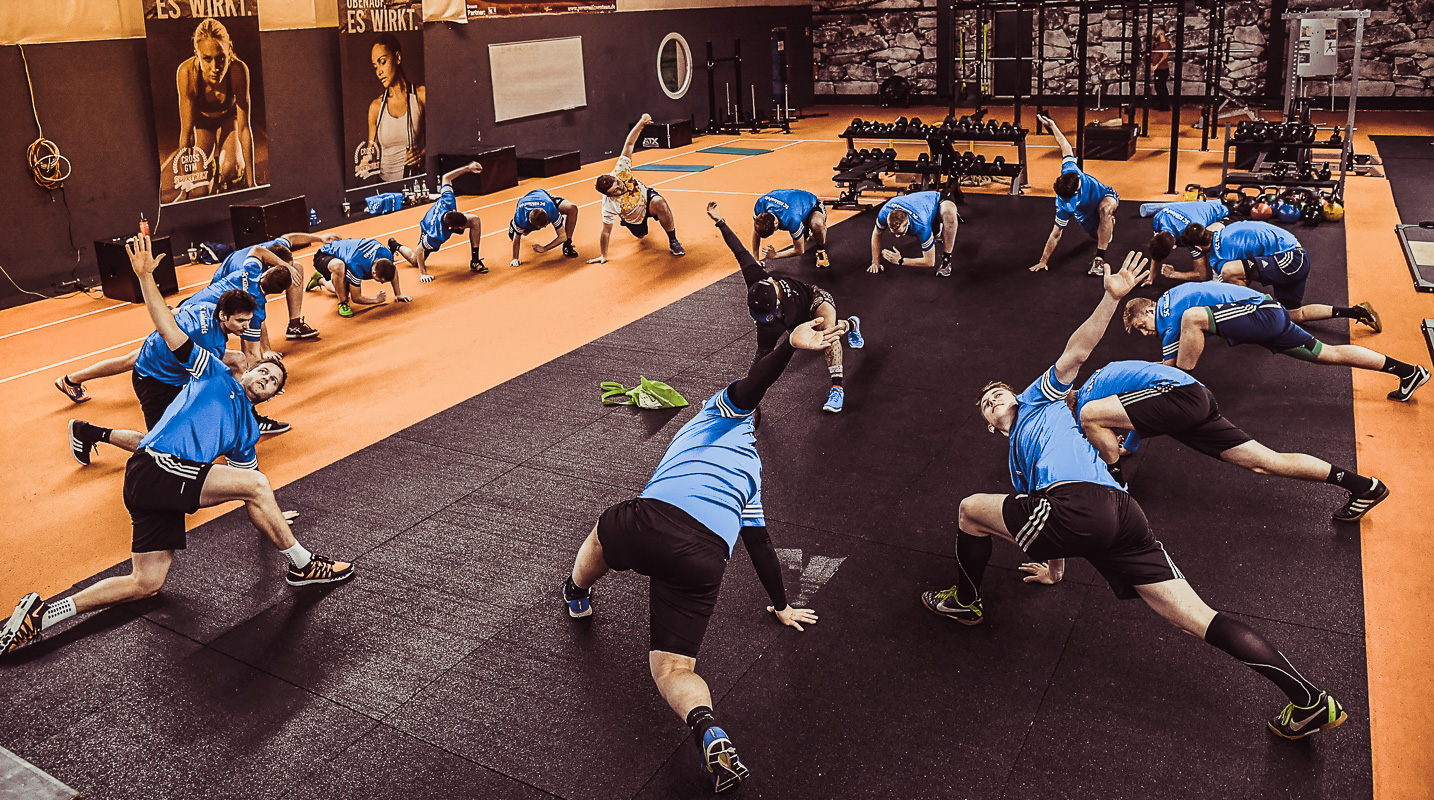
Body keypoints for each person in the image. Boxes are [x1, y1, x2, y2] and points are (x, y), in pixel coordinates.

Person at [922, 251, 1350, 741]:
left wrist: (1109, 298)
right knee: (1194, 620)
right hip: (1117, 515)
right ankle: (1310, 700)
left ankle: (966, 600)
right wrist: (1055, 570)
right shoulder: (1020, 467)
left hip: (1090, 505)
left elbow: (1076, 353)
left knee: (968, 511)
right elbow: (1047, 523)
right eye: (986, 405)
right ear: (990, 427)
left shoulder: (1042, 399)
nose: (994, 400)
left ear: (1017, 397)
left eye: (998, 393)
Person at [1, 235, 353, 659]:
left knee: (145, 583)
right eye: (264, 372)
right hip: (156, 468)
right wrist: (146, 278)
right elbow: (167, 326)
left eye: (273, 383)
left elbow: (253, 489)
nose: (266, 379)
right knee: (255, 484)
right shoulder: (210, 372)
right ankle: (303, 565)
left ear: (272, 396)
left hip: (157, 487)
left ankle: (43, 615)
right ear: (247, 369)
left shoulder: (246, 433)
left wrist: (273, 511)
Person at [560, 316, 836, 792]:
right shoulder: (750, 474)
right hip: (704, 559)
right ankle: (707, 727)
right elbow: (760, 546)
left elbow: (753, 387)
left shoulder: (718, 411)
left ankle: (576, 591)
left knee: (602, 537)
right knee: (672, 669)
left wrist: (789, 345)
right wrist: (782, 604)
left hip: (651, 521)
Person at [1072, 359, 1389, 521]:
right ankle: (1363, 486)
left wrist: (1109, 461)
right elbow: (1140, 410)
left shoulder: (1085, 401)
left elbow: (1097, 426)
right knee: (1266, 462)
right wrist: (1129, 446)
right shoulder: (1103, 379)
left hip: (1180, 397)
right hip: (1193, 399)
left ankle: (1117, 488)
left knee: (1090, 416)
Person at [1123, 281, 1429, 401]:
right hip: (1269, 317)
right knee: (1329, 353)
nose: (1145, 332)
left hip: (1262, 314)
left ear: (1150, 309)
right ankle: (1407, 371)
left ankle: (1187, 384)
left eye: (1142, 325)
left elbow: (1164, 367)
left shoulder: (1167, 311)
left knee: (1192, 322)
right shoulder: (1171, 303)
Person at [708, 202, 864, 413]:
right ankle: (851, 324)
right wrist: (749, 394)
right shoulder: (760, 297)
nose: (763, 320)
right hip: (795, 323)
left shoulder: (776, 300)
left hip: (814, 300)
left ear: (777, 300)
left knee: (828, 334)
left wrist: (720, 221)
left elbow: (737, 248)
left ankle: (837, 388)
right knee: (822, 333)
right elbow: (762, 359)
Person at [1180, 220, 1381, 329]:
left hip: (1290, 259)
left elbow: (1229, 282)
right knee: (1293, 315)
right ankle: (1356, 312)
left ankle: (1251, 313)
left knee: (1228, 272)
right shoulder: (1225, 229)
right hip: (1295, 260)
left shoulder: (1222, 253)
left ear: (1197, 246)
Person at [169, 18, 257, 202]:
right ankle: (211, 167)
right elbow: (187, 134)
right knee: (199, 190)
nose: (215, 68)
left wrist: (252, 183)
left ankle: (225, 167)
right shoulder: (186, 73)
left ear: (229, 51)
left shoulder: (238, 70)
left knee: (231, 171)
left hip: (228, 120)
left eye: (221, 58)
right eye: (207, 59)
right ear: (197, 54)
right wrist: (184, 188)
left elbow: (244, 128)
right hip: (203, 126)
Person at [588, 114, 685, 263]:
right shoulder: (608, 205)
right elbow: (606, 232)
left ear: (616, 178)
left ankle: (673, 241)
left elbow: (629, 144)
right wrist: (603, 255)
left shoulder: (620, 170)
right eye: (615, 192)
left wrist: (641, 123)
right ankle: (628, 222)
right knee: (641, 236)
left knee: (660, 203)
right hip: (633, 217)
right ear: (609, 195)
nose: (620, 190)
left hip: (646, 199)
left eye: (619, 185)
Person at [1030, 115, 1119, 276]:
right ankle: (1106, 225)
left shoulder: (1070, 171)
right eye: (1079, 184)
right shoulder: (1066, 207)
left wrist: (1053, 125)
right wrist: (1043, 261)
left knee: (1105, 210)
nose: (1080, 179)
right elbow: (1056, 234)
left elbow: (1065, 146)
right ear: (1075, 193)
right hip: (1085, 214)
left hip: (1105, 196)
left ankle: (1099, 259)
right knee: (1105, 237)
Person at [210, 231, 335, 341]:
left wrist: (320, 238)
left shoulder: (276, 248)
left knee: (296, 267)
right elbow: (256, 309)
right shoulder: (249, 271)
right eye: (284, 268)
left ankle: (294, 324)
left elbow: (290, 238)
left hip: (251, 268)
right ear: (270, 267)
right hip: (222, 286)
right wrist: (266, 350)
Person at [389, 162, 485, 278]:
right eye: (461, 227)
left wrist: (468, 168)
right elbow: (419, 250)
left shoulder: (449, 201)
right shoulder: (435, 235)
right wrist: (423, 274)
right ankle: (395, 245)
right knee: (415, 261)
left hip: (443, 217)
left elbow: (446, 177)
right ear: (452, 228)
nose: (463, 228)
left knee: (474, 220)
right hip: (428, 227)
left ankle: (475, 260)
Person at [360, 33, 425, 184]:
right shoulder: (376, 107)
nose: (379, 71)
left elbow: (438, 140)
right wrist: (366, 161)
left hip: (413, 184)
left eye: (383, 62)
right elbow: (372, 149)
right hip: (383, 187)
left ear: (398, 58)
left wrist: (421, 155)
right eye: (375, 66)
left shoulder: (421, 96)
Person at [306, 237, 409, 318]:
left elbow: (393, 270)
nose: (381, 283)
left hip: (347, 254)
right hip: (325, 255)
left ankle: (320, 279)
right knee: (341, 286)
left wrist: (398, 294)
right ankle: (342, 303)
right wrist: (376, 300)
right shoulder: (357, 265)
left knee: (344, 288)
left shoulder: (387, 256)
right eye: (380, 281)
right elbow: (356, 298)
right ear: (373, 273)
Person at [869, 190, 959, 276]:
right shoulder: (884, 213)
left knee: (949, 214)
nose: (897, 236)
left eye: (900, 233)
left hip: (937, 200)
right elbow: (877, 233)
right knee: (933, 234)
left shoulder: (921, 226)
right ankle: (935, 229)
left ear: (908, 223)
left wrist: (900, 261)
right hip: (923, 209)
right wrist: (875, 262)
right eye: (893, 233)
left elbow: (930, 262)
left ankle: (946, 261)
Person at [1147, 198, 1229, 281]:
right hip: (1205, 209)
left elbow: (1202, 275)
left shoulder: (1189, 234)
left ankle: (1218, 275)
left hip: (1227, 214)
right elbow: (1157, 248)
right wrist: (1151, 277)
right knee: (1202, 241)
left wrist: (1173, 274)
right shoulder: (1158, 219)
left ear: (1174, 247)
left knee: (1209, 243)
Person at [751, 189, 829, 268]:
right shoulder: (760, 205)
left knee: (817, 224)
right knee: (802, 238)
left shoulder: (791, 219)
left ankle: (821, 250)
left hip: (811, 205)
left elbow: (799, 250)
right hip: (797, 208)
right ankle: (804, 231)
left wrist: (775, 255)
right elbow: (756, 231)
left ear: (776, 224)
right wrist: (756, 259)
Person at [509, 189, 579, 266]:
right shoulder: (521, 216)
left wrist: (544, 248)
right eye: (544, 226)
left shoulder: (550, 209)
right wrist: (515, 258)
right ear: (536, 226)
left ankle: (567, 245)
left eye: (546, 223)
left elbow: (562, 236)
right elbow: (517, 237)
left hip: (543, 196)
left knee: (572, 208)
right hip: (525, 205)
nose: (546, 226)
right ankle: (514, 225)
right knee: (524, 233)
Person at [1149, 25, 1172, 112]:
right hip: (1158, 69)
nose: (1155, 35)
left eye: (1157, 34)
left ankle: (1165, 105)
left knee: (1161, 87)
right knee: (1158, 86)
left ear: (1162, 34)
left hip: (1163, 69)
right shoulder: (1158, 44)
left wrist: (1156, 65)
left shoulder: (1166, 44)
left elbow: (1165, 56)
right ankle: (1161, 104)